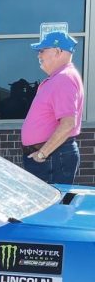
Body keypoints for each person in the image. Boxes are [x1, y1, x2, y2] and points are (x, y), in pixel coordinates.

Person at [21, 29, 84, 184]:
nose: (39, 55)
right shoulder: (60, 77)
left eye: (42, 50)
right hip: (51, 157)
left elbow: (68, 123)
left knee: (49, 206)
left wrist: (42, 154)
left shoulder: (64, 78)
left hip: (51, 158)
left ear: (57, 51)